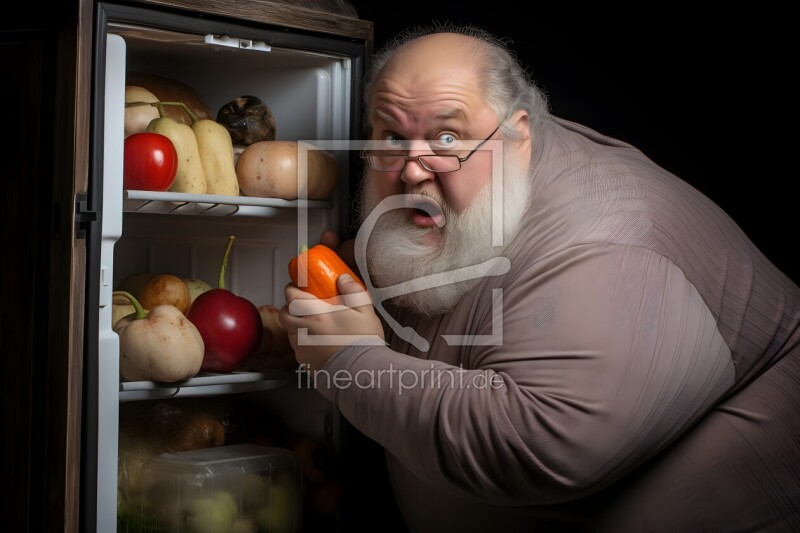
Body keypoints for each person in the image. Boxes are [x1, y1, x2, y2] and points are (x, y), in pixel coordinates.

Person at [279, 23, 800, 531]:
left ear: (518, 135)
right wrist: (365, 289)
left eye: (446, 135)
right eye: (392, 134)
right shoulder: (482, 187)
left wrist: (351, 362)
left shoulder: (608, 243)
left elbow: (539, 442)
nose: (413, 169)